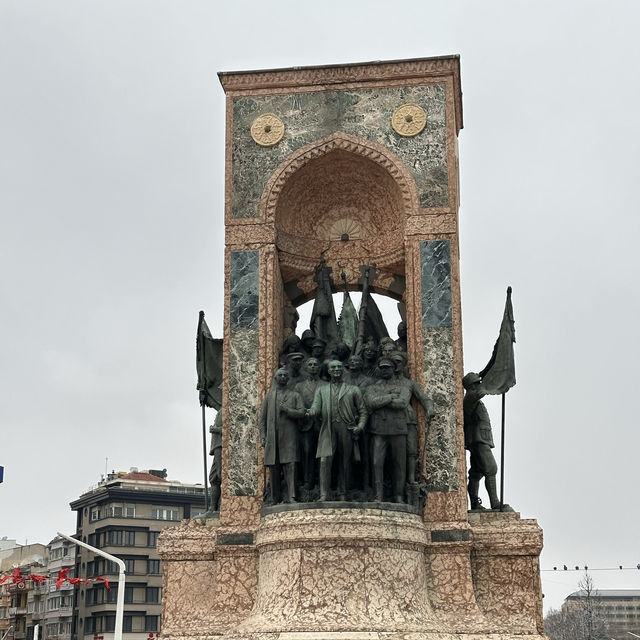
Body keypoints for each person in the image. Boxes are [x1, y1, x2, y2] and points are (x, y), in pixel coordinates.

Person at [307, 360, 367, 501]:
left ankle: (342, 493)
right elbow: (316, 407)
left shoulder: (353, 389)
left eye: (339, 367)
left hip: (346, 429)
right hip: (328, 428)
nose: (336, 369)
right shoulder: (321, 390)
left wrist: (360, 426)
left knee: (344, 462)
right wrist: (311, 412)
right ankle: (324, 494)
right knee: (324, 461)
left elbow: (363, 411)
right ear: (328, 371)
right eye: (333, 367)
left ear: (343, 369)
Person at [365, 358, 412, 503]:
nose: (385, 370)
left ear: (394, 369)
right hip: (379, 430)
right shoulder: (372, 387)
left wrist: (382, 401)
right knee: (377, 463)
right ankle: (378, 495)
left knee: (399, 464)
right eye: (382, 368)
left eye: (388, 367)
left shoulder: (403, 387)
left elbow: (403, 403)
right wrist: (391, 397)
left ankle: (399, 496)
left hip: (398, 430)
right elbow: (371, 403)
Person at [259, 368, 305, 504]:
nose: (283, 377)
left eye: (285, 375)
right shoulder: (269, 396)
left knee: (291, 465)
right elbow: (262, 420)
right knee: (274, 468)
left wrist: (288, 411)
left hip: (289, 436)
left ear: (288, 378)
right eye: (280, 375)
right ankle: (275, 498)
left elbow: (302, 412)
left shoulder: (295, 395)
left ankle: (292, 496)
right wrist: (263, 436)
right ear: (275, 378)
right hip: (273, 438)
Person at [462, 372, 499, 510]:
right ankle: (495, 503)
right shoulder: (471, 397)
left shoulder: (474, 399)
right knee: (491, 468)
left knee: (476, 472)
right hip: (478, 439)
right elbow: (481, 392)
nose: (479, 386)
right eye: (477, 383)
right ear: (472, 386)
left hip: (481, 438)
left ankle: (474, 503)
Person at [294, 358, 325, 491]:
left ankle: (322, 481)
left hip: (322, 424)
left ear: (319, 368)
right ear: (306, 368)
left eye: (315, 365)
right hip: (305, 425)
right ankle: (308, 481)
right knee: (307, 453)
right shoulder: (299, 386)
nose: (313, 367)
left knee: (323, 453)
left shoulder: (326, 384)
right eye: (310, 365)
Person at [208, 412, 223, 511]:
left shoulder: (227, 408)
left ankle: (217, 506)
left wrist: (215, 429)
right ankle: (214, 506)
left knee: (219, 476)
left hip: (221, 447)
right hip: (218, 447)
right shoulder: (221, 410)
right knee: (214, 477)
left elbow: (234, 428)